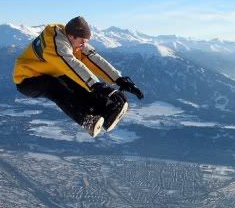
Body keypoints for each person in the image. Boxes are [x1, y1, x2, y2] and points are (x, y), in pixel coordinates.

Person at [13, 16, 144, 137]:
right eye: (82, 41)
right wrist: (98, 85)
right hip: (26, 79)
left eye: (86, 41)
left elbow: (93, 58)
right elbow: (72, 65)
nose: (84, 44)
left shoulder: (75, 39)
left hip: (50, 72)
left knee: (80, 85)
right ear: (71, 36)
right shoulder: (55, 44)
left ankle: (106, 110)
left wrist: (118, 79)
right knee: (56, 87)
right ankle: (86, 120)